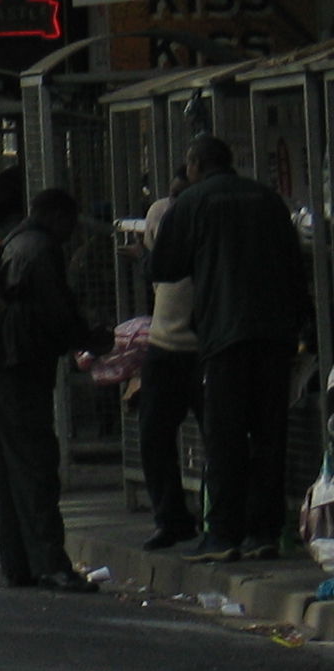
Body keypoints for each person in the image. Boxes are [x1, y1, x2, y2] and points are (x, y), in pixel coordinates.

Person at [146, 135, 311, 563]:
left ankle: (222, 533)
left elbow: (164, 266)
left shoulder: (193, 201)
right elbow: (296, 265)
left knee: (225, 435)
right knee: (270, 434)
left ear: (196, 165)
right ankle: (265, 532)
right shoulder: (269, 199)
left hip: (224, 333)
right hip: (275, 333)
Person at [0, 187, 108, 592]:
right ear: (57, 218)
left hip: (0, 361)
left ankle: (19, 564)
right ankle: (50, 563)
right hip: (18, 365)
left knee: (12, 469)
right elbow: (57, 311)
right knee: (35, 467)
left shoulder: (17, 240)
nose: (70, 233)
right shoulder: (41, 249)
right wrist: (89, 338)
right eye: (69, 223)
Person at [136, 167, 202, 551]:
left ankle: (222, 518)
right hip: (164, 342)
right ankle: (171, 517)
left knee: (222, 438)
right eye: (172, 195)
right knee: (154, 435)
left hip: (204, 345)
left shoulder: (206, 220)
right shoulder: (161, 213)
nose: (174, 205)